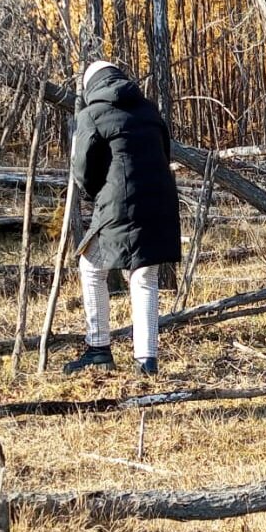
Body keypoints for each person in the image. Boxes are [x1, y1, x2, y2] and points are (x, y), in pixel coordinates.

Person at [64, 61, 181, 377]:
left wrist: (96, 195)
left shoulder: (91, 114)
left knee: (91, 266)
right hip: (160, 200)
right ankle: (147, 360)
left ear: (91, 86)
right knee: (145, 275)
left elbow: (84, 169)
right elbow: (164, 153)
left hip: (119, 204)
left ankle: (99, 347)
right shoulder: (149, 109)